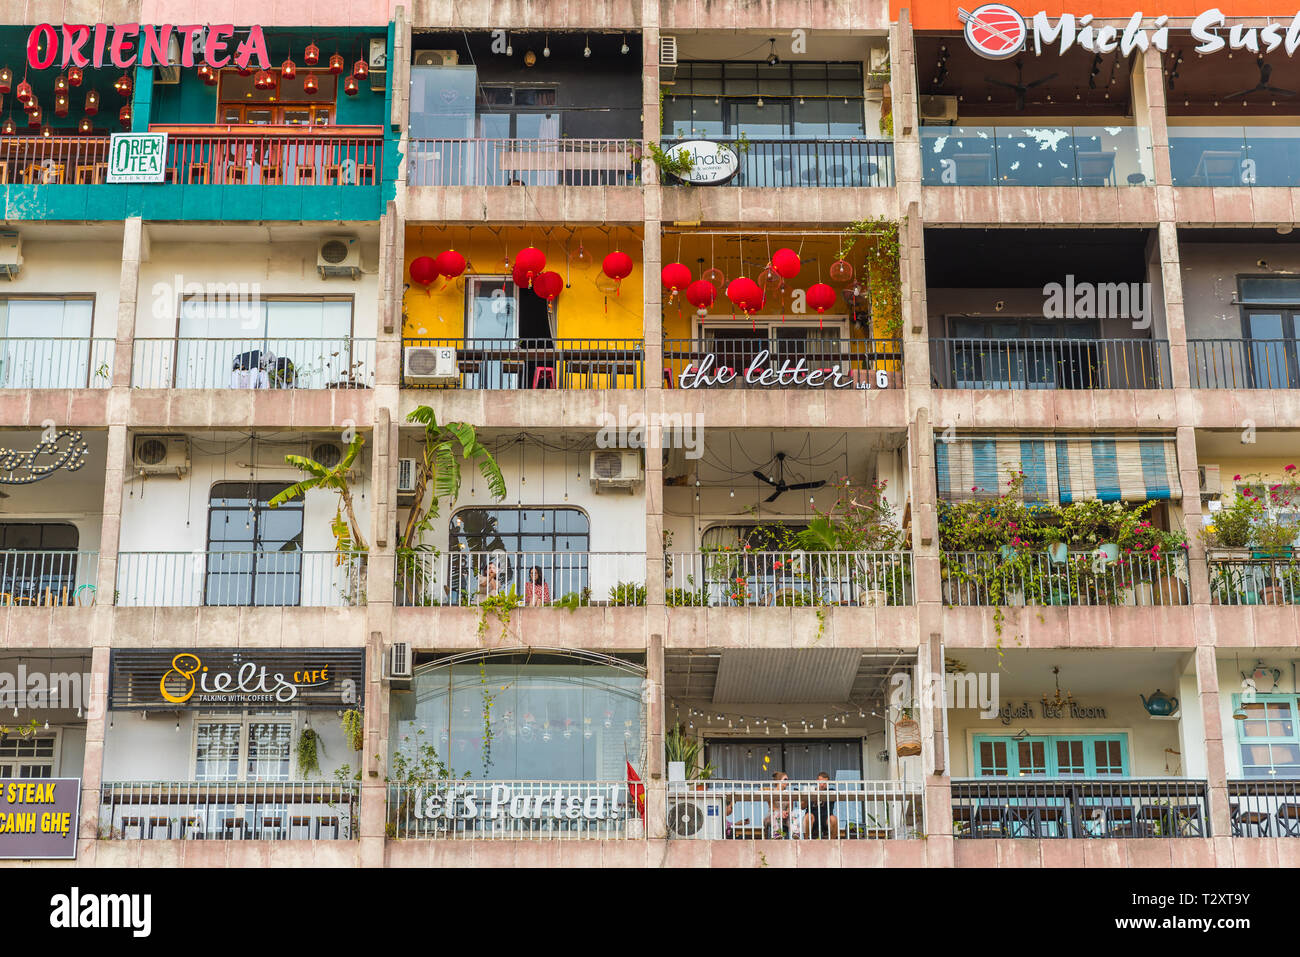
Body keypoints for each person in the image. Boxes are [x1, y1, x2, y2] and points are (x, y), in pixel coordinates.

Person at [803, 772, 840, 839]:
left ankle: (833, 843)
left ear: (828, 783)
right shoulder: (810, 791)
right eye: (820, 782)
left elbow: (838, 797)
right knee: (808, 816)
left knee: (834, 819)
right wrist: (806, 798)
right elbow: (802, 807)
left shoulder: (831, 791)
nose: (822, 785)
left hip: (826, 818)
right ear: (817, 781)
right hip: (813, 818)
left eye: (825, 783)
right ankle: (805, 840)